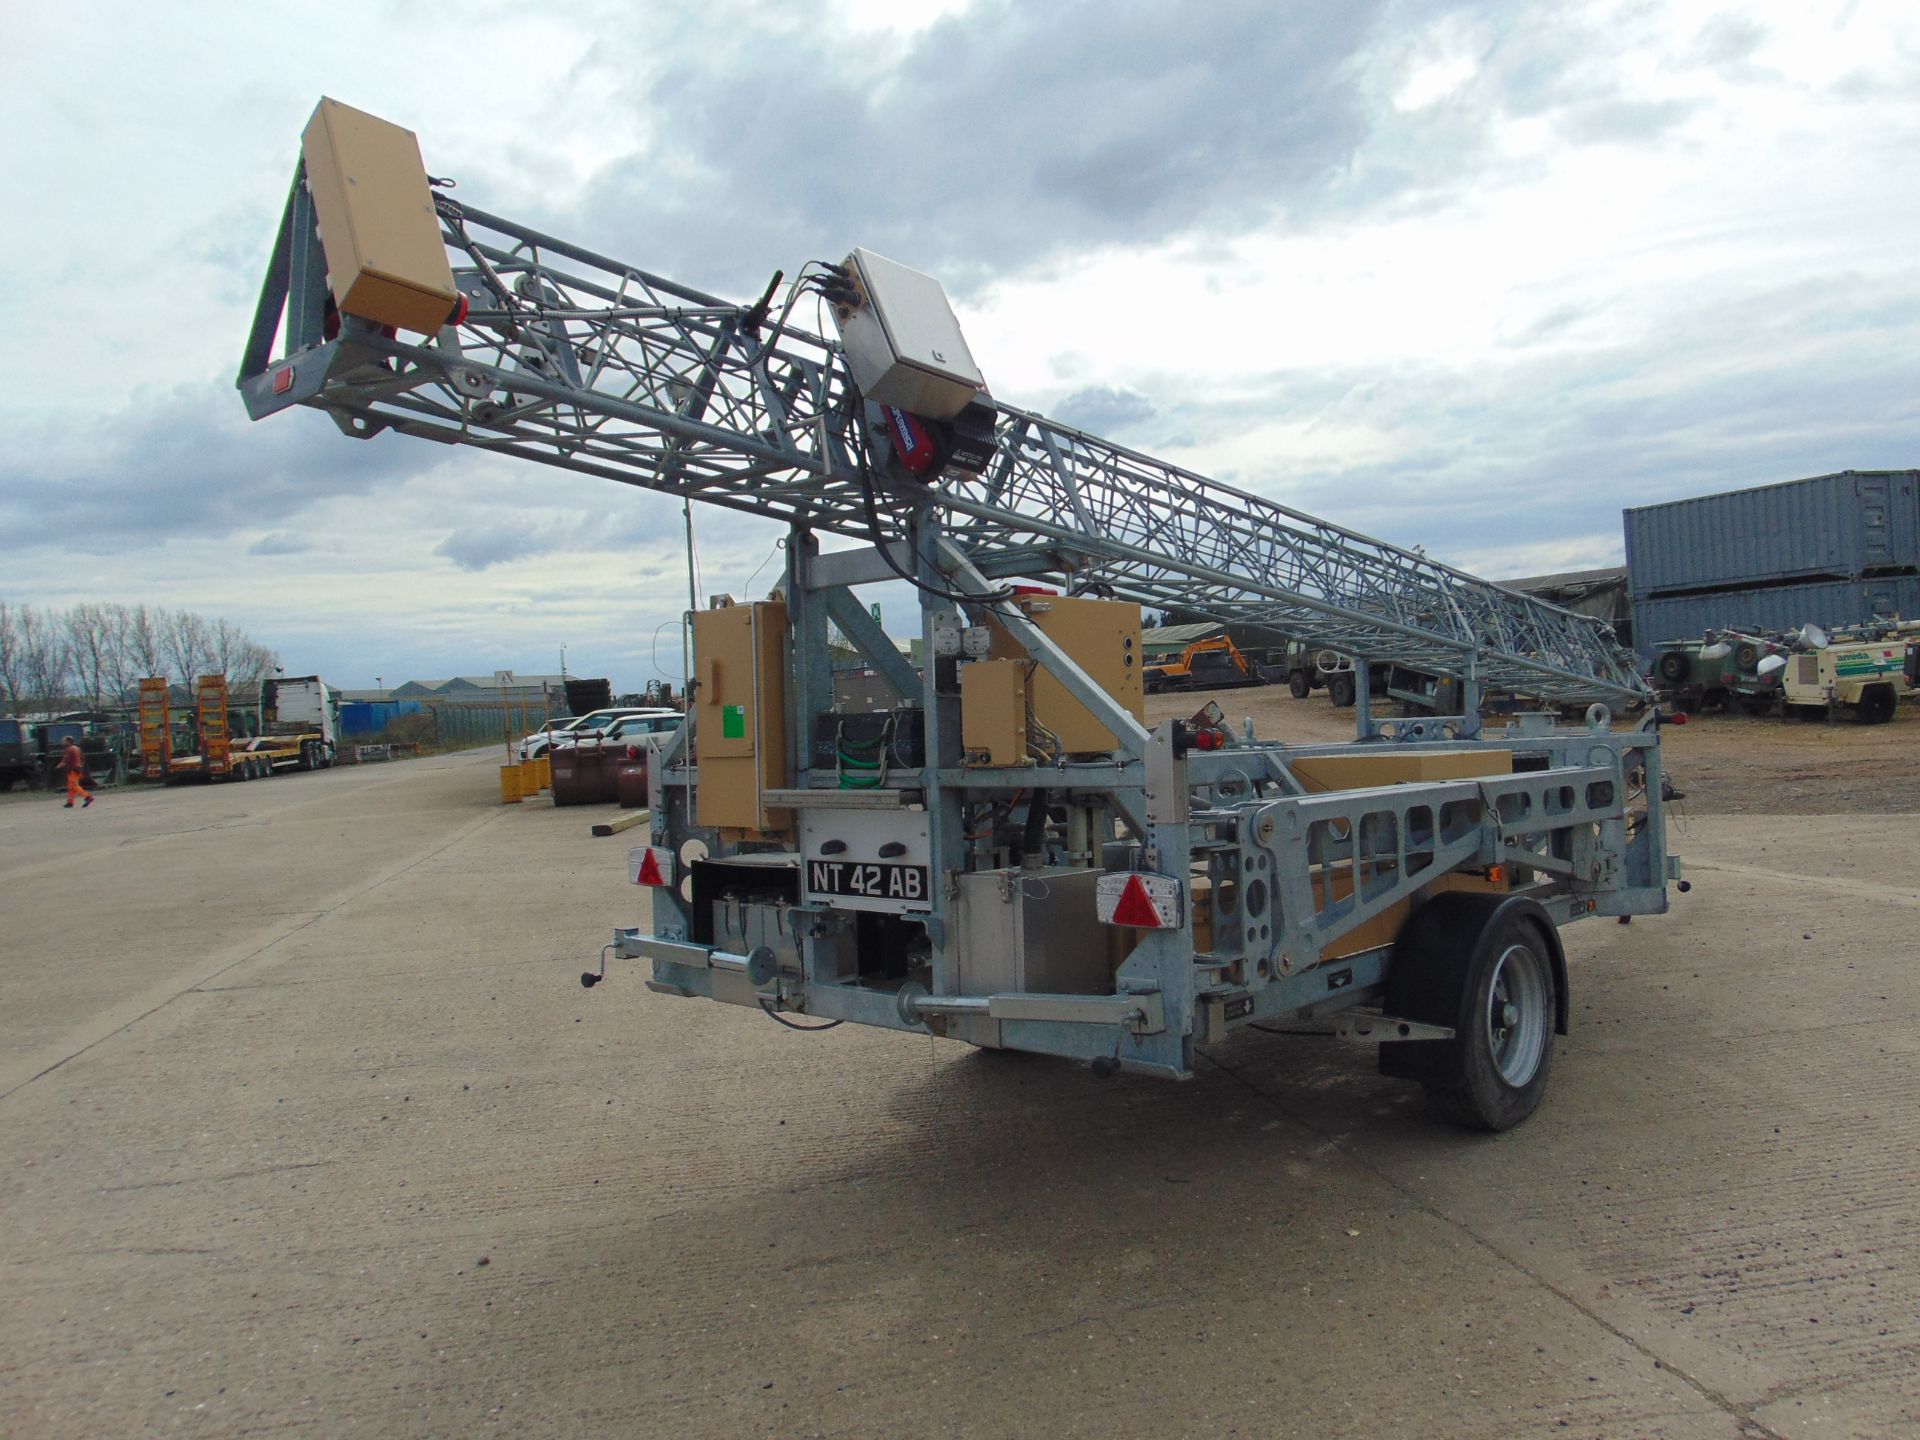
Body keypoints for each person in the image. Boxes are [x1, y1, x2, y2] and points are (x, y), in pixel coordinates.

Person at [61, 738, 94, 809]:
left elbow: (65, 760)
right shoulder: (77, 748)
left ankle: (88, 797)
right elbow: (82, 758)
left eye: (64, 741)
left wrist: (59, 766)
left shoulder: (69, 749)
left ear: (68, 742)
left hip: (72, 769)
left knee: (74, 785)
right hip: (77, 769)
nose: (62, 742)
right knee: (70, 787)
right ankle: (70, 802)